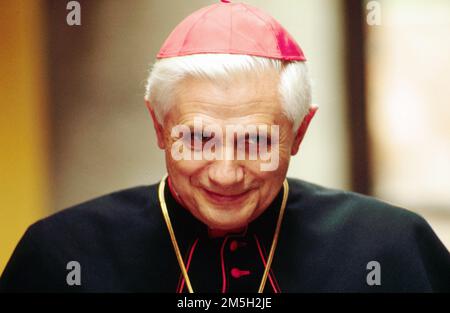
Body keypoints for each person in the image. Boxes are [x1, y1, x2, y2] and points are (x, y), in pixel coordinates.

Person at [1, 0, 449, 293]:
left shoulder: (391, 248)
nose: (225, 173)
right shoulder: (61, 256)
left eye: (256, 142)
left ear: (300, 131)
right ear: (159, 126)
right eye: (197, 138)